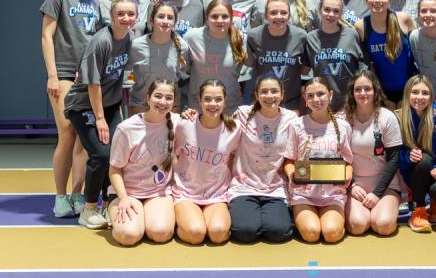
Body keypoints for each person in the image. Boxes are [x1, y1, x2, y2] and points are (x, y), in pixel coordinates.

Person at [63, 0, 137, 229]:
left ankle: (106, 203)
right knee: (101, 155)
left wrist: (118, 111)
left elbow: (124, 78)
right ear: (112, 16)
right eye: (121, 14)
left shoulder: (130, 38)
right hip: (84, 104)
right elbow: (93, 85)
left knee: (116, 154)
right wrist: (101, 119)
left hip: (110, 104)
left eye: (130, 14)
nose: (126, 18)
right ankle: (89, 208)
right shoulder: (101, 42)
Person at [40, 0, 102, 218]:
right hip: (64, 73)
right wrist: (52, 75)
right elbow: (46, 35)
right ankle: (60, 197)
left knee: (82, 139)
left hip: (87, 76)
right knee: (67, 131)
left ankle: (77, 194)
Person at [228, 75, 297, 243]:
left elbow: (294, 155)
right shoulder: (243, 114)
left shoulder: (292, 119)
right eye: (264, 92)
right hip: (244, 186)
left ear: (282, 94)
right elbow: (218, 127)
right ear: (257, 95)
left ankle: (270, 216)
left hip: (275, 188)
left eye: (274, 91)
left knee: (278, 232)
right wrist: (192, 116)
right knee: (245, 232)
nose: (269, 96)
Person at [107, 80, 178, 245]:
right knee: (129, 236)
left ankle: (147, 218)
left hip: (158, 192)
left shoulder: (177, 122)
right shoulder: (127, 128)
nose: (163, 102)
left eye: (169, 98)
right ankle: (113, 210)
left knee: (161, 233)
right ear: (148, 98)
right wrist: (123, 198)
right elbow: (114, 170)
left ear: (174, 102)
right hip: (128, 193)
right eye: (158, 96)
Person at [284, 78, 354, 243]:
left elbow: (348, 162)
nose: (316, 99)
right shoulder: (296, 125)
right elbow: (288, 161)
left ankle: (336, 219)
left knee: (331, 234)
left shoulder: (343, 127)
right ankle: (300, 217)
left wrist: (347, 174)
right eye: (311, 96)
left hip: (332, 194)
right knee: (311, 233)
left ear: (330, 95)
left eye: (321, 94)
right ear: (305, 99)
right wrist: (292, 174)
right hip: (304, 194)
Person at [172, 79, 242, 244]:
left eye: (218, 99)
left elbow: (234, 158)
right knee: (196, 233)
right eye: (208, 99)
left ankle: (203, 219)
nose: (213, 104)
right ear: (199, 101)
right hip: (186, 193)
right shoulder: (183, 124)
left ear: (225, 101)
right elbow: (172, 154)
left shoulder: (235, 128)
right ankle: (179, 221)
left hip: (216, 194)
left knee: (218, 234)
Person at [344, 70, 402, 236]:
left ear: (375, 90)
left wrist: (377, 193)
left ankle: (386, 207)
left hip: (385, 185)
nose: (363, 93)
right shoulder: (343, 119)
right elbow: (338, 158)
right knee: (357, 225)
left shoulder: (387, 117)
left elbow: (394, 159)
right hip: (355, 186)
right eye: (358, 89)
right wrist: (351, 186)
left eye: (367, 89)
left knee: (383, 225)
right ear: (352, 92)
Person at [397, 75, 436, 233]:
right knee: (424, 160)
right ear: (407, 93)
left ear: (431, 96)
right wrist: (407, 156)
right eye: (415, 92)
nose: (419, 97)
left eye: (425, 93)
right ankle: (419, 209)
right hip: (413, 173)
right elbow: (393, 155)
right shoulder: (398, 118)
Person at [354, 0, 417, 106]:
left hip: (409, 90)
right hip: (381, 94)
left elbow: (417, 54)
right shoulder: (361, 26)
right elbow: (364, 63)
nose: (378, 0)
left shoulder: (403, 19)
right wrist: (381, 97)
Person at [305, 0, 367, 112]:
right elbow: (306, 69)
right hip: (321, 104)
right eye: (327, 10)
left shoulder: (351, 35)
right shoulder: (311, 38)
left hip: (348, 102)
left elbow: (362, 66)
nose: (331, 15)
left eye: (336, 11)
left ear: (341, 13)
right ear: (319, 10)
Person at [246, 0, 310, 111]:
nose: (279, 17)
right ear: (265, 16)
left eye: (283, 13)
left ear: (289, 16)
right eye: (273, 13)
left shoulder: (301, 36)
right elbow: (253, 64)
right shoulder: (253, 36)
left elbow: (305, 70)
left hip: (291, 101)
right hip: (263, 100)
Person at [184, 0, 247, 112]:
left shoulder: (241, 39)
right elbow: (185, 69)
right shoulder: (192, 37)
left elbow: (243, 71)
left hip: (229, 106)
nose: (219, 20)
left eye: (224, 16)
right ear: (207, 18)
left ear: (231, 18)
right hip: (198, 105)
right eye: (214, 16)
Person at [126, 1, 188, 115]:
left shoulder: (182, 47)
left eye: (170, 18)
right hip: (141, 105)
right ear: (151, 20)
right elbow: (127, 77)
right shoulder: (136, 45)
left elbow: (182, 77)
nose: (165, 21)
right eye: (160, 16)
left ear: (175, 22)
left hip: (169, 106)